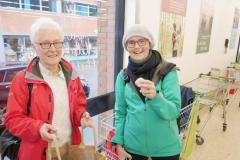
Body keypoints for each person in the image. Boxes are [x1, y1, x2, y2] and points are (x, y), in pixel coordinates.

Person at [4, 17, 92, 160]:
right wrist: (38, 128)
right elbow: (12, 120)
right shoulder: (23, 80)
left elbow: (78, 106)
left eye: (57, 43)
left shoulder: (72, 75)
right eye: (45, 43)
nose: (53, 49)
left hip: (70, 150)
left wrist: (81, 116)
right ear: (34, 47)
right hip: (37, 154)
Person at [112, 24, 181, 160]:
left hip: (166, 150)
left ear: (149, 43)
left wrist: (156, 97)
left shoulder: (167, 71)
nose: (137, 47)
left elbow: (174, 111)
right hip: (133, 150)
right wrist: (118, 144)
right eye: (131, 42)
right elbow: (120, 112)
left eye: (141, 41)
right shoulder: (123, 76)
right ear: (126, 47)